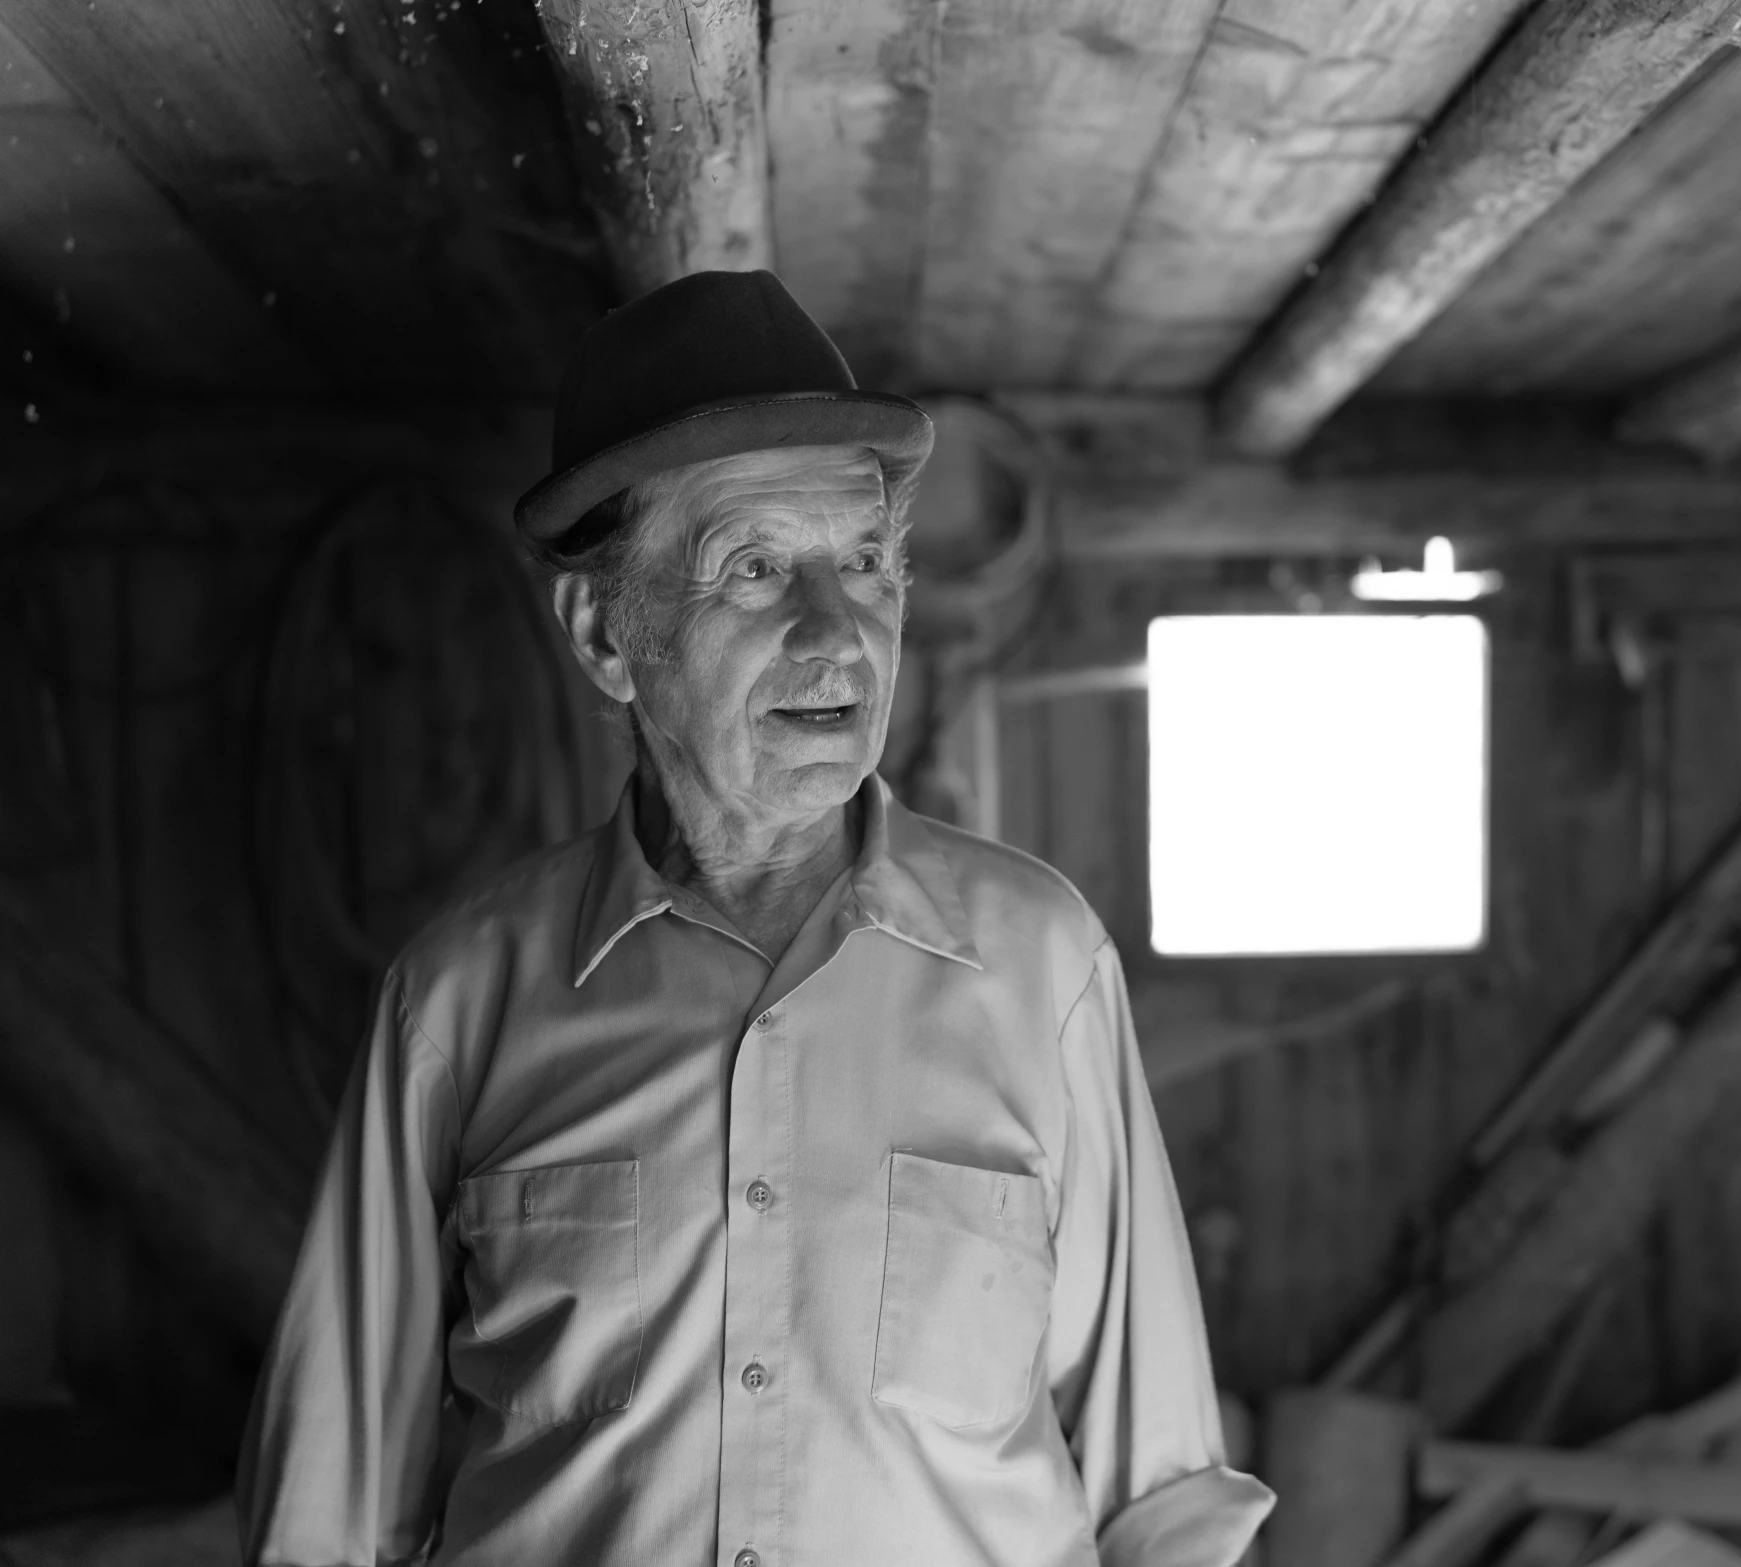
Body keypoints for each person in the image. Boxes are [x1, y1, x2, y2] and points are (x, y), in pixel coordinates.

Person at [237, 270, 1273, 1567]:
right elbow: (324, 1516)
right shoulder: (459, 996)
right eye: (755, 568)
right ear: (605, 632)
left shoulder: (1038, 961)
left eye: (863, 562)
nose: (836, 632)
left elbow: (1160, 1498)